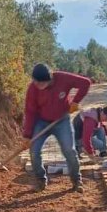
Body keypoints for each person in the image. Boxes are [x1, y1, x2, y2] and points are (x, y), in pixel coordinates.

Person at [22, 63, 91, 192]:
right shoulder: (32, 89)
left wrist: (75, 101)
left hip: (62, 120)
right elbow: (30, 112)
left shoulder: (62, 78)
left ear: (51, 78)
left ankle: (76, 180)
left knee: (69, 150)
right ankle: (40, 179)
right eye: (36, 83)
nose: (39, 86)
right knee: (34, 151)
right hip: (41, 122)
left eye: (42, 84)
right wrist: (27, 135)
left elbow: (86, 83)